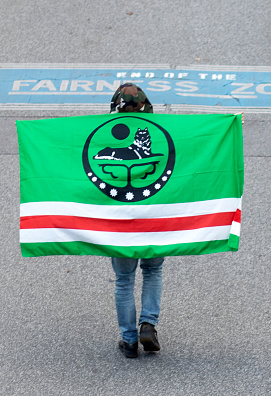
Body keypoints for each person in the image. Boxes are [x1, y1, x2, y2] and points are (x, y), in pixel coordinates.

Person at [109, 83, 163, 359]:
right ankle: (148, 325)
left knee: (124, 280)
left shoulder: (101, 134)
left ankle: (129, 341)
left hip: (120, 223)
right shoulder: (163, 134)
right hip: (153, 219)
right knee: (152, 271)